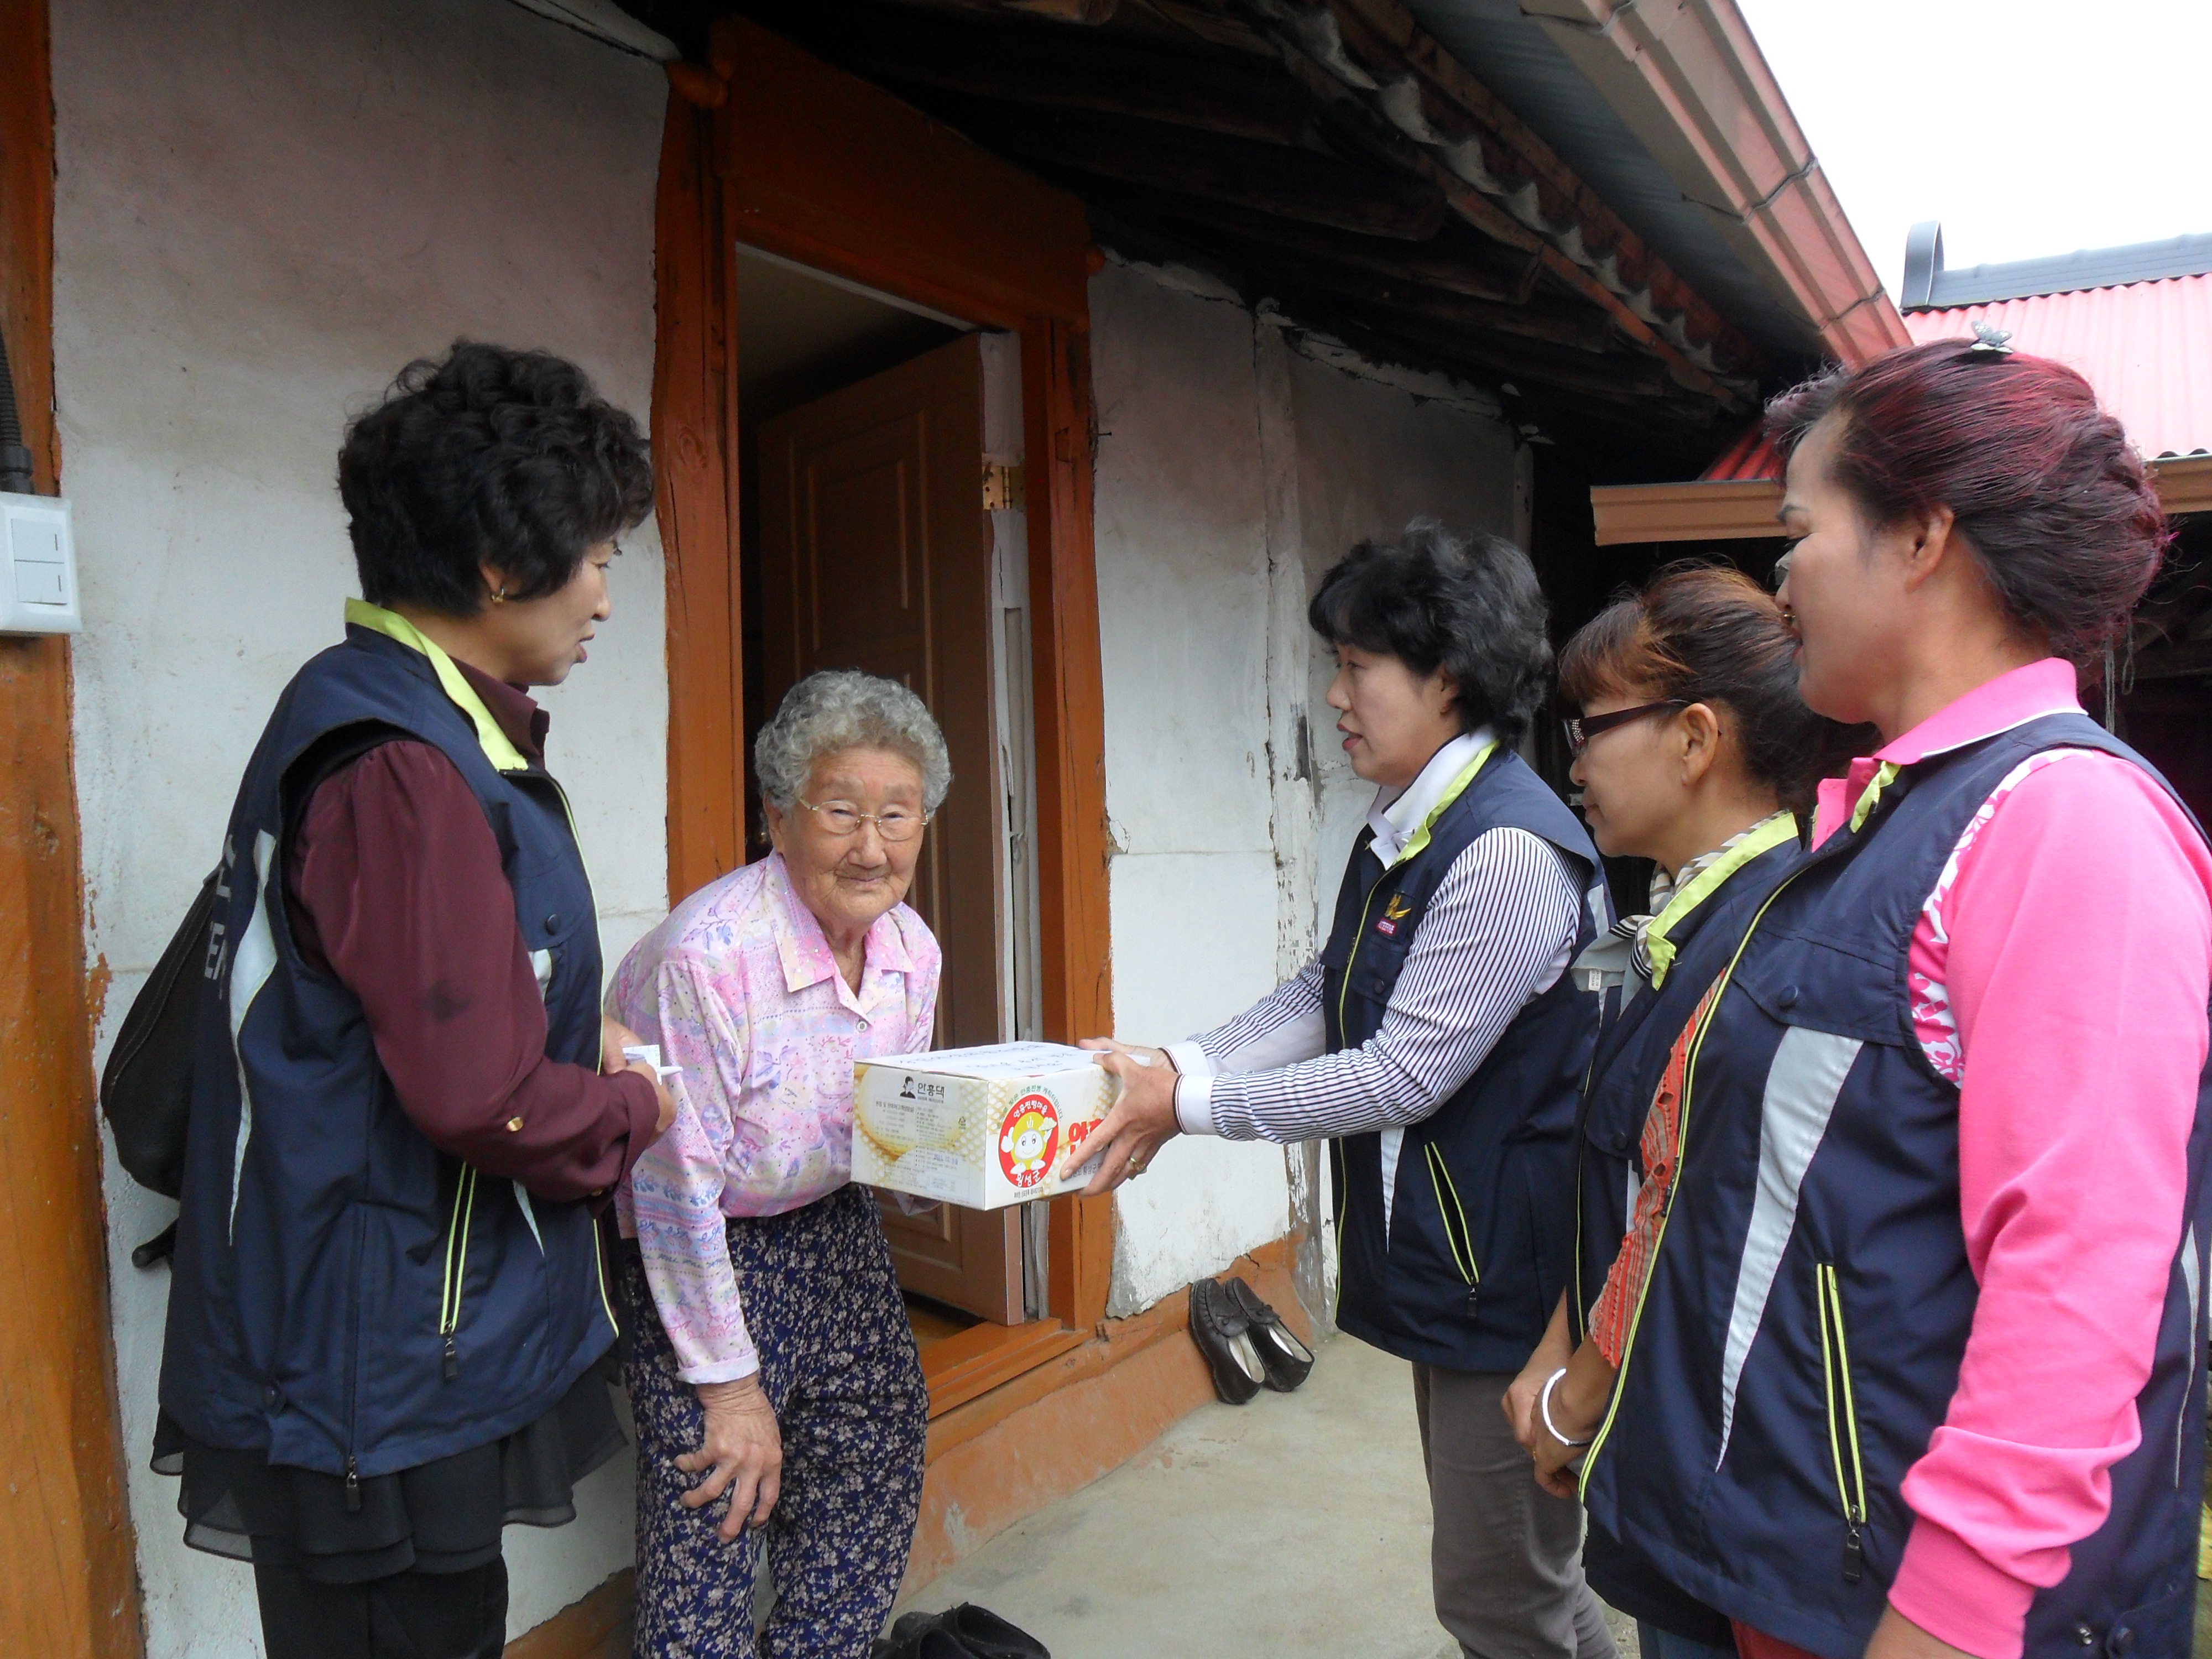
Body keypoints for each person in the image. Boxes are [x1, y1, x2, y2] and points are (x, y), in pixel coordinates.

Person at [1563, 340, 2212, 1659]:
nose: (1781, 577)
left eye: (1798, 529)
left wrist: (1948, 1613)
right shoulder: (1892, 819)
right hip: (1793, 1570)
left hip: (1911, 1613)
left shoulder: (2062, 822)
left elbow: (2077, 1286)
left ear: (1919, 536)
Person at [155, 341, 677, 1659]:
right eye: (597, 556)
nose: (605, 597)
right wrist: (634, 1104)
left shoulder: (377, 712)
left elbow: (403, 996)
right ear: (500, 566)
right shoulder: (406, 770)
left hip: (371, 1325)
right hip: (370, 1357)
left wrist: (576, 1027)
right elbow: (484, 1100)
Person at [1067, 520, 1619, 1659]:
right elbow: (1331, 988)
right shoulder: (1412, 822)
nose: (1334, 696)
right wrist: (1180, 1065)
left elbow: (1401, 1074)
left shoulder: (1504, 852)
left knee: (1497, 1598)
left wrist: (1187, 1109)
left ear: (1447, 677)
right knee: (1528, 1583)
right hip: (1458, 1263)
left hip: (1506, 1286)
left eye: (1357, 666)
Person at [1502, 565, 1850, 1659]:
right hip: (1662, 1421)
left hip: (1708, 1444)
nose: (1573, 764)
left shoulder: (1760, 943)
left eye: (1591, 728)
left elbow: (1684, 1208)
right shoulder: (1683, 916)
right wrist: (1561, 1342)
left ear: (1694, 739)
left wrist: (1573, 1395)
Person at [608, 669, 946, 1659]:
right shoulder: (709, 956)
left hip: (833, 1226)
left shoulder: (910, 948)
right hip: (701, 1242)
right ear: (778, 816)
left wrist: (990, 1155)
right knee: (720, 1499)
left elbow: (897, 1127)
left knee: (874, 1446)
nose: (872, 847)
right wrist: (730, 1388)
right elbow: (672, 1184)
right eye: (842, 811)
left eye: (897, 816)